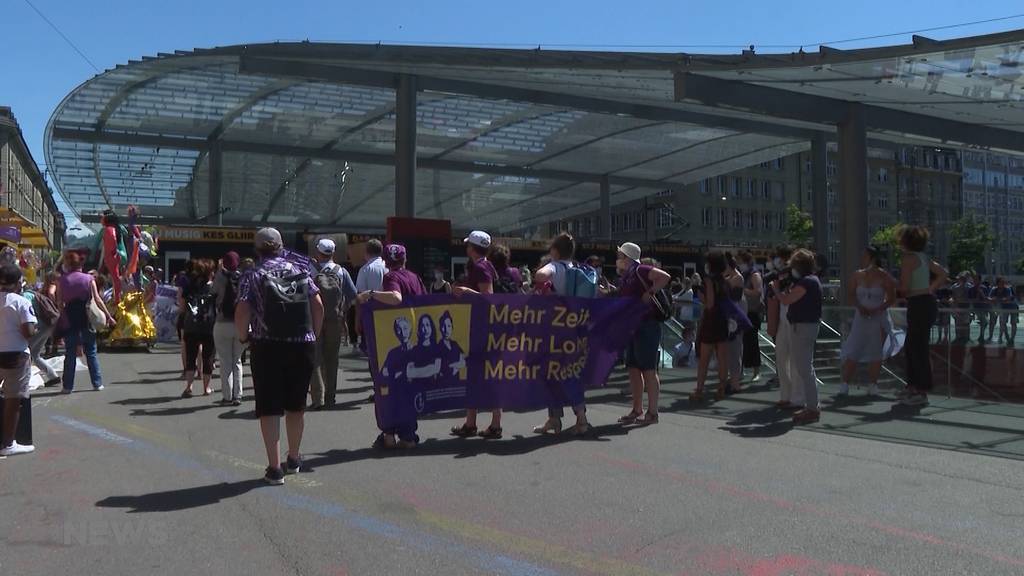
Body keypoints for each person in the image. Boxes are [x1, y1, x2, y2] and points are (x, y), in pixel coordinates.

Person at [235, 227, 324, 485]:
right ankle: (294, 458)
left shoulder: (253, 274)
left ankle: (274, 468)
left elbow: (242, 310)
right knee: (296, 406)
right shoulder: (300, 269)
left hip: (267, 345)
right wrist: (312, 336)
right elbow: (317, 305)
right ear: (281, 245)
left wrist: (244, 336)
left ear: (257, 248)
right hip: (301, 345)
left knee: (269, 408)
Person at [357, 243, 427, 448]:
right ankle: (408, 434)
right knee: (408, 387)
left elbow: (396, 298)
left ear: (386, 261)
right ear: (404, 259)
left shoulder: (391, 277)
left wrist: (371, 294)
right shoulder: (414, 277)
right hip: (413, 340)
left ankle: (388, 433)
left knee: (386, 387)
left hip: (390, 339)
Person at [531, 233, 590, 435]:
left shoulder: (556, 267)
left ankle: (572, 419)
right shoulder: (578, 269)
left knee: (555, 373)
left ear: (555, 251)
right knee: (567, 372)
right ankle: (564, 418)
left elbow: (540, 276)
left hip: (555, 330)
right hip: (574, 328)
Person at [450, 231, 503, 439]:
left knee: (485, 375)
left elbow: (487, 297)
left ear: (472, 247)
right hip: (483, 328)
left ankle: (494, 423)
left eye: (468, 245)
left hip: (482, 329)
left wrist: (465, 291)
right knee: (476, 375)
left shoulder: (481, 267)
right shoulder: (486, 265)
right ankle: (471, 422)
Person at [615, 242, 671, 425]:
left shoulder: (640, 269)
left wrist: (651, 291)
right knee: (633, 367)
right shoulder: (627, 275)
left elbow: (664, 277)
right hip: (633, 326)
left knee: (648, 369)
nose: (618, 259)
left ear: (627, 257)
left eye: (620, 255)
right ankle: (637, 408)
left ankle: (652, 412)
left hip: (647, 324)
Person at [897, 225, 946, 407]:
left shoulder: (908, 258)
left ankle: (920, 390)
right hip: (925, 302)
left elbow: (903, 286)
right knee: (914, 346)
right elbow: (943, 273)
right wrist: (930, 289)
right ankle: (913, 387)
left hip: (918, 304)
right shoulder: (923, 257)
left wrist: (894, 290)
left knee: (916, 348)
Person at [773, 249, 824, 424]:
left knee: (804, 369)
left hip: (803, 327)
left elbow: (787, 300)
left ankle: (812, 408)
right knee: (806, 367)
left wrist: (777, 290)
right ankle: (813, 404)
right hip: (806, 326)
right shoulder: (812, 280)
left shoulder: (806, 282)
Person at [839, 246, 896, 397]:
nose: (861, 259)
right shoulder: (857, 275)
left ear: (871, 257)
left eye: (864, 256)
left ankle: (873, 384)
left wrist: (878, 308)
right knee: (854, 348)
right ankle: (845, 383)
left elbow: (892, 298)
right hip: (861, 316)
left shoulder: (884, 276)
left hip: (878, 317)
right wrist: (860, 307)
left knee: (876, 350)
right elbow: (851, 295)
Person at [56, 251, 115, 393]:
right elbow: (98, 299)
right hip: (86, 317)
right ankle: (97, 383)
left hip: (70, 317)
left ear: (67, 265)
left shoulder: (62, 281)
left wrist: (63, 318)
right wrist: (108, 316)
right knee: (91, 352)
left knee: (70, 354)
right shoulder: (89, 279)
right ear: (80, 264)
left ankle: (67, 386)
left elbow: (59, 303)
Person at [309, 239, 357, 410]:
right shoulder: (341, 271)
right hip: (335, 320)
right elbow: (353, 296)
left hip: (314, 319)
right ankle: (331, 397)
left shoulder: (309, 270)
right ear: (333, 253)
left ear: (318, 252)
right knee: (332, 359)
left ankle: (317, 398)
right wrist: (341, 309)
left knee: (315, 359)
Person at [0, 264, 38, 457]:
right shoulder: (21, 302)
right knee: (13, 400)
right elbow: (28, 331)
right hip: (16, 355)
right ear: (17, 283)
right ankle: (8, 443)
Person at [691, 251, 731, 402]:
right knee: (722, 358)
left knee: (704, 358)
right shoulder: (725, 281)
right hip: (722, 321)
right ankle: (721, 387)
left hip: (710, 321)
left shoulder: (708, 281)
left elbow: (710, 304)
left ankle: (699, 390)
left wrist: (703, 297)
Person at [179, 259, 217, 397]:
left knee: (191, 356)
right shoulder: (214, 287)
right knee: (208, 357)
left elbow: (182, 306)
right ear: (210, 272)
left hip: (191, 324)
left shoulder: (190, 286)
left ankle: (189, 386)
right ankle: (206, 388)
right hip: (209, 325)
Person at [212, 251, 244, 406]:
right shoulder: (243, 277)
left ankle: (227, 396)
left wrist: (219, 270)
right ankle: (238, 395)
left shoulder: (220, 277)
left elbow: (212, 292)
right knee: (237, 360)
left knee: (225, 361)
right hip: (240, 322)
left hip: (222, 321)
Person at [28, 272, 61, 387]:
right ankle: (53, 376)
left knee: (26, 352)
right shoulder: (32, 294)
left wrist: (54, 303)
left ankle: (22, 381)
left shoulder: (26, 295)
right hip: (48, 324)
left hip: (41, 325)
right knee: (35, 354)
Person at [739, 251, 763, 382]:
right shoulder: (743, 275)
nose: (740, 265)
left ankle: (757, 371)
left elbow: (758, 292)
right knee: (742, 342)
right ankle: (741, 369)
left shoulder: (754, 275)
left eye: (741, 262)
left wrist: (743, 290)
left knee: (752, 342)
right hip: (743, 311)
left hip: (752, 312)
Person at [723, 252, 746, 393]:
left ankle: (735, 382)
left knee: (736, 348)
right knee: (729, 350)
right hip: (729, 315)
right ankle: (730, 379)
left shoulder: (737, 277)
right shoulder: (729, 277)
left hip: (736, 316)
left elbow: (725, 287)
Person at [992, 277, 1017, 346]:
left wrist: (997, 299)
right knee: (1003, 323)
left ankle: (1012, 338)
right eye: (1001, 282)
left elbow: (1008, 298)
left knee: (1013, 323)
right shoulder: (994, 290)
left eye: (1003, 282)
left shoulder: (1008, 289)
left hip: (1013, 307)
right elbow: (990, 298)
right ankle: (1007, 336)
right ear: (997, 283)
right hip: (1003, 308)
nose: (1003, 284)